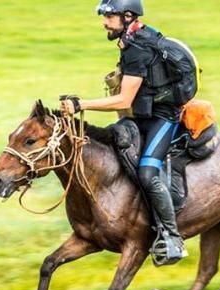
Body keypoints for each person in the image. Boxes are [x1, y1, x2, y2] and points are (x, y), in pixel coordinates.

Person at [59, 0, 188, 263]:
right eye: (104, 16)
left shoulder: (137, 48)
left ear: (128, 16)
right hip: (142, 115)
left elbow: (124, 100)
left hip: (163, 118)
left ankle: (172, 237)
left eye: (109, 17)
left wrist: (80, 104)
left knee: (147, 171)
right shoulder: (132, 39)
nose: (104, 22)